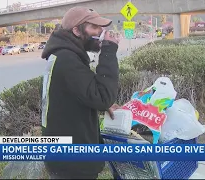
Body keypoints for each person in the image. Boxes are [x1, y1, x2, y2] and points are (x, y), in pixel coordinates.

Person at [41, 6, 121, 179]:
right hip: (73, 162)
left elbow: (74, 95)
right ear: (77, 30)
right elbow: (102, 96)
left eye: (101, 28)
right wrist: (108, 50)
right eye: (94, 27)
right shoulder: (67, 59)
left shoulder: (62, 55)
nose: (101, 32)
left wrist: (98, 104)